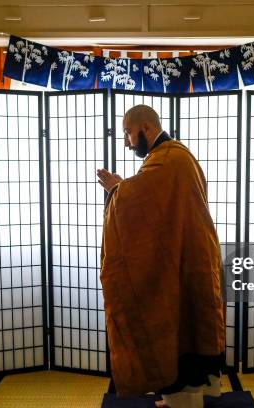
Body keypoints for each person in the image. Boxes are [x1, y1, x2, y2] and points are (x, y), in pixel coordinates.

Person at [96, 105, 227, 408]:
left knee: (178, 327)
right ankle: (190, 395)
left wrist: (118, 188)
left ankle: (184, 400)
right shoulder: (174, 155)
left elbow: (139, 200)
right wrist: (123, 186)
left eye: (128, 133)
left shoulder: (168, 159)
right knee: (190, 329)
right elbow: (154, 205)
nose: (127, 142)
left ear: (145, 128)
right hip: (191, 254)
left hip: (185, 259)